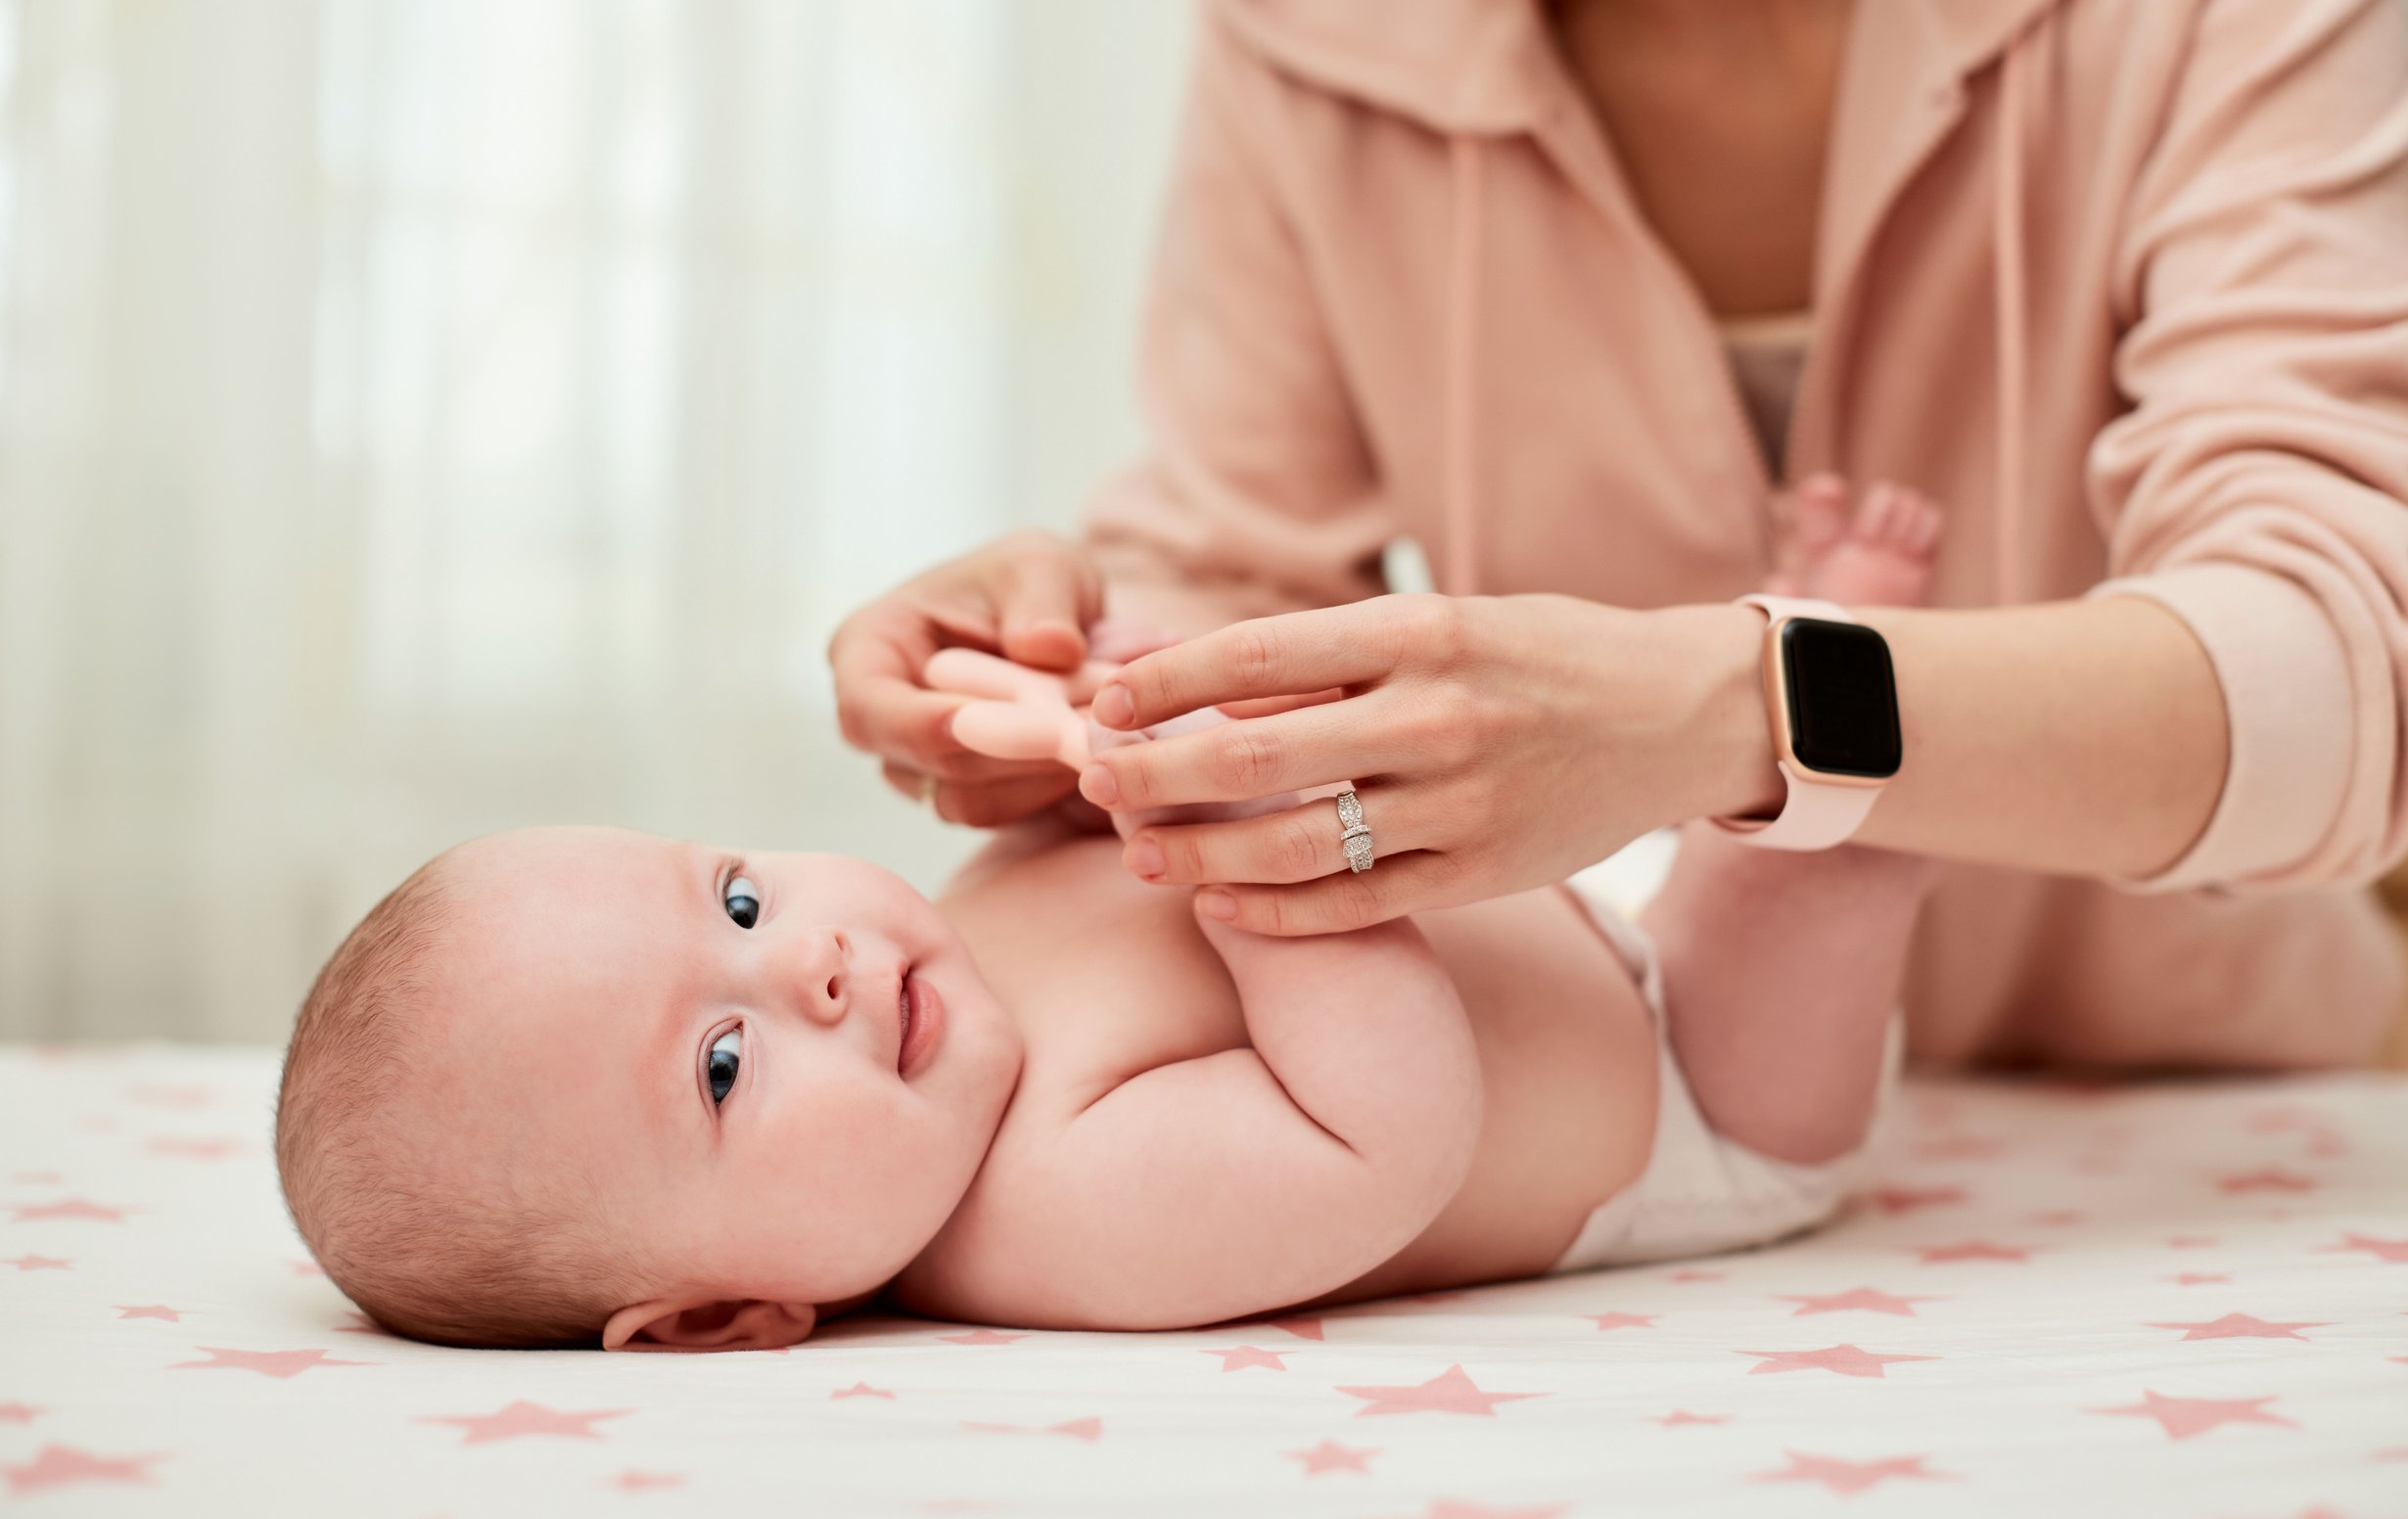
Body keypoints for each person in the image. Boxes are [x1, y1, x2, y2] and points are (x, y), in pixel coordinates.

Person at [830, 0, 2408, 1070]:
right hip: (1666, 1149)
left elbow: (2351, 669)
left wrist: (1728, 713)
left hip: (2183, 1119)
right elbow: (1243, 567)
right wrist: (1098, 676)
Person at [277, 483, 1941, 1347]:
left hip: (1585, 916)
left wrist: (1098, 693)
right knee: (1821, 858)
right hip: (1699, 1103)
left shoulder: (948, 954)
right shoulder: (1041, 1210)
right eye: (723, 1065)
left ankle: (1778, 653)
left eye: (738, 899)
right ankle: (1843, 655)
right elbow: (1385, 1138)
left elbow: (1117, 805)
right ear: (722, 1316)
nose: (821, 967)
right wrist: (1255, 860)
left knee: (1729, 796)